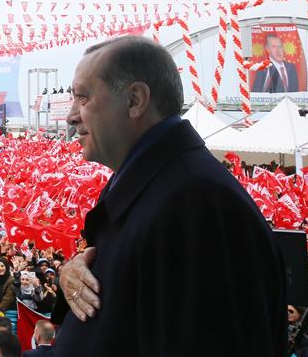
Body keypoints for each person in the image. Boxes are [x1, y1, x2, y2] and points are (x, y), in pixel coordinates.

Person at [55, 36, 287, 356]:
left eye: (82, 97)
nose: (71, 116)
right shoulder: (160, 189)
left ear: (135, 100)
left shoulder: (197, 206)